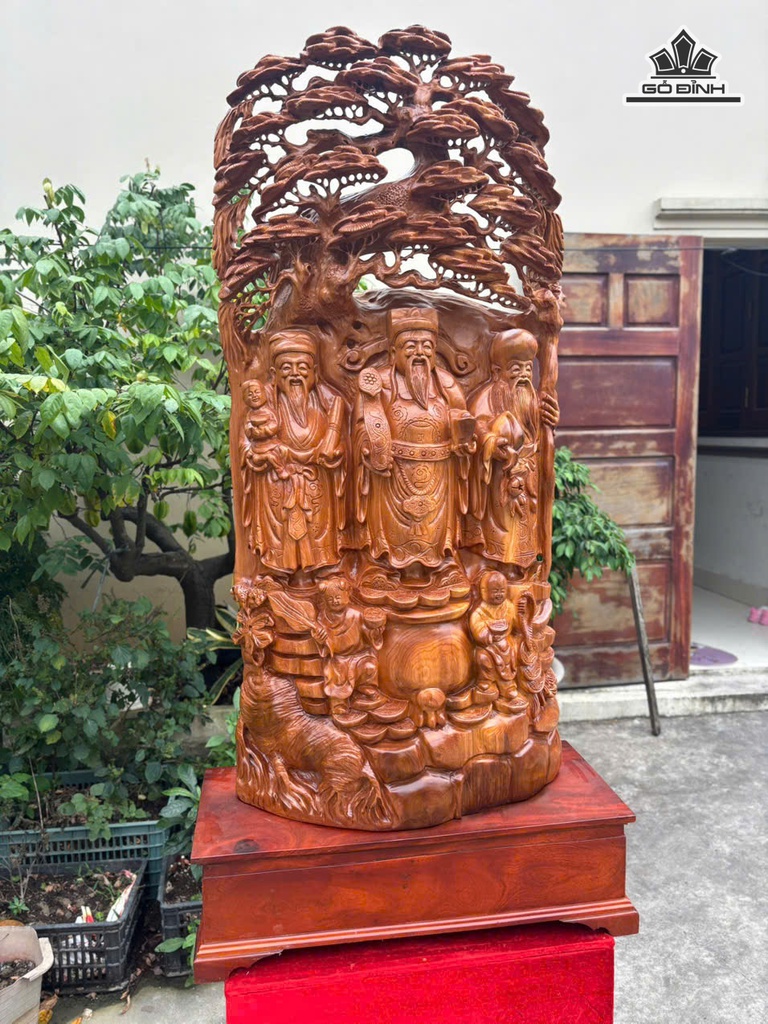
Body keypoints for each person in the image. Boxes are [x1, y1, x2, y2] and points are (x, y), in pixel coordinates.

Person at [353, 307, 475, 576]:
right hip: (392, 476)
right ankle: (388, 572)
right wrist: (370, 448)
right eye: (410, 346)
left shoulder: (445, 383)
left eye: (426, 346)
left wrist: (464, 438)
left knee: (432, 531)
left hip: (438, 474)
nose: (419, 353)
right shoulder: (379, 382)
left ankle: (434, 572)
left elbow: (462, 418)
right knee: (395, 534)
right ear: (393, 352)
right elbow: (362, 425)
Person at [240, 329, 346, 574]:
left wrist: (335, 452)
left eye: (302, 367)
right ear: (274, 374)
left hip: (316, 483)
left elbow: (342, 446)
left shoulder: (327, 401)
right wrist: (260, 456)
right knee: (282, 538)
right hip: (278, 485)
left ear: (315, 372)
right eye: (287, 368)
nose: (295, 374)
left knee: (317, 536)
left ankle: (318, 578)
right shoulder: (262, 402)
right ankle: (283, 579)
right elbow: (245, 445)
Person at [466, 328, 559, 570]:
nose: (524, 375)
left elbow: (542, 433)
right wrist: (492, 443)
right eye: (516, 369)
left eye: (528, 369)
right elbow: (476, 428)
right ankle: (494, 569)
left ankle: (521, 571)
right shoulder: (487, 396)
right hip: (499, 476)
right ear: (498, 372)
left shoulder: (531, 399)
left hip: (528, 475)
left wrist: (551, 421)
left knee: (526, 526)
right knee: (502, 528)